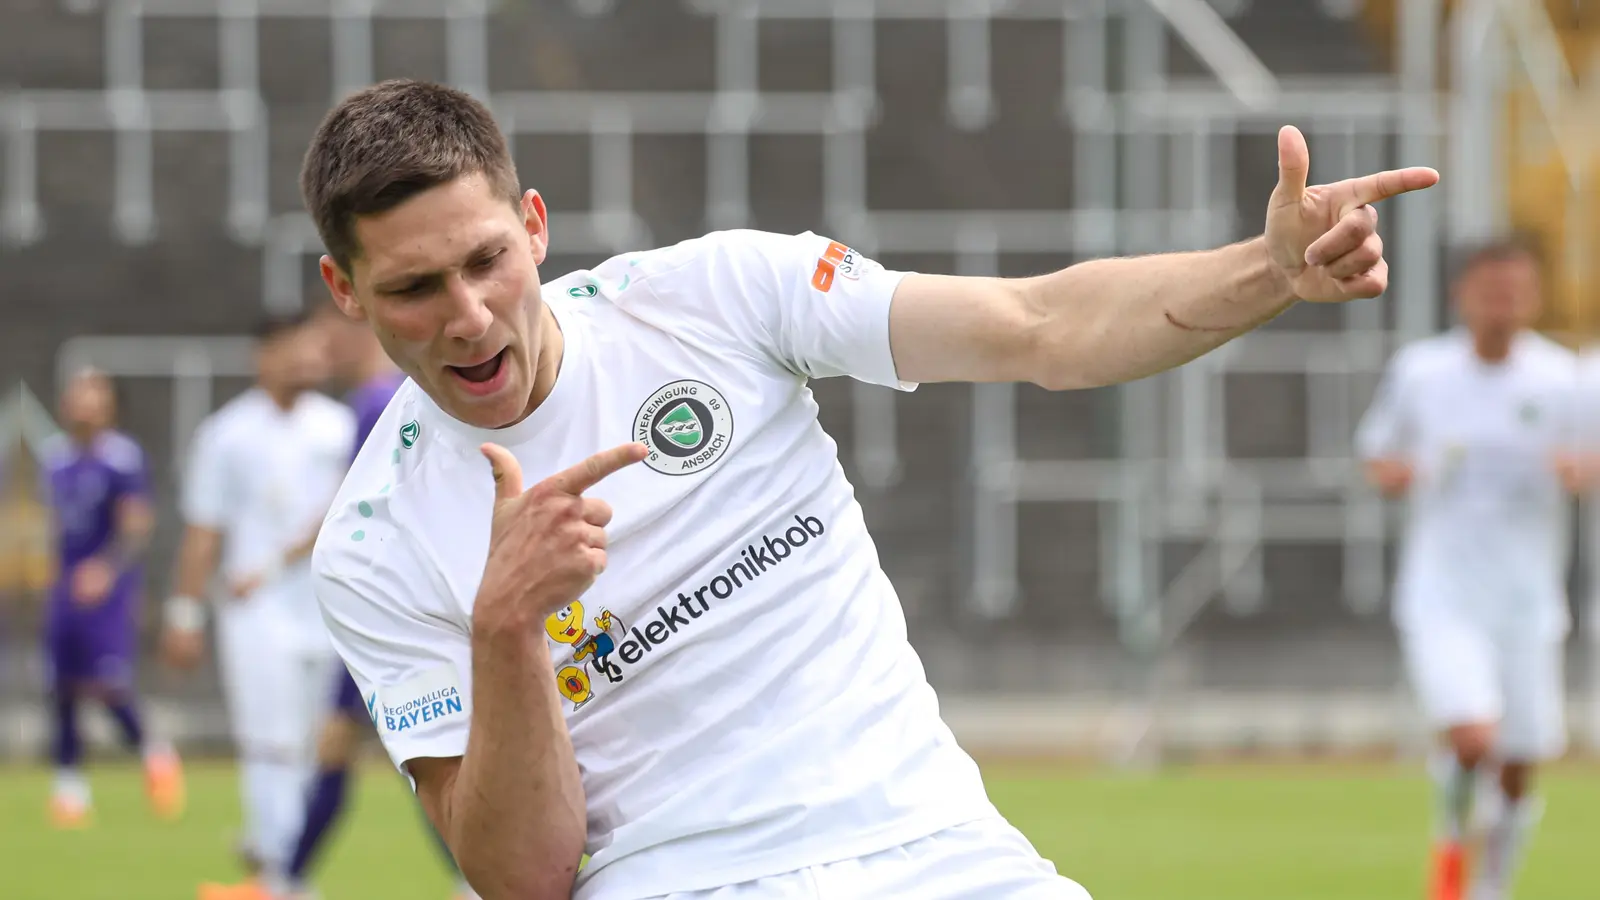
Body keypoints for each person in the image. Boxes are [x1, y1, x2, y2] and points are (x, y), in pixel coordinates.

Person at [304, 78, 1436, 900]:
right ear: (345, 292)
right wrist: (507, 623)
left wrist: (1266, 269)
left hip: (941, 848)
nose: (465, 314)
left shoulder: (715, 296)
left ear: (534, 228)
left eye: (484, 260)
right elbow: (524, 876)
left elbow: (1038, 327)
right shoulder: (373, 545)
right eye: (411, 286)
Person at [1356, 239, 1582, 900]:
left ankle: (1492, 883)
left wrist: (1578, 470)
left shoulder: (1562, 379)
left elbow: (1588, 457)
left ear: (1534, 298)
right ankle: (1452, 840)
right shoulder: (1422, 372)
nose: (1502, 304)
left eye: (1515, 291)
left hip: (1527, 600)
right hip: (1443, 593)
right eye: (1491, 290)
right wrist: (1399, 475)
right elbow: (1378, 456)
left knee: (1518, 761)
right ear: (1462, 294)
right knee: (1475, 736)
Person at [244, 305, 477, 900]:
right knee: (408, 749)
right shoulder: (387, 398)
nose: (318, 349)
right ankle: (291, 877)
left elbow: (354, 515)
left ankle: (288, 880)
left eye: (328, 335)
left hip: (392, 608)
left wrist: (276, 563)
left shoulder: (380, 403)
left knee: (378, 747)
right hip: (404, 605)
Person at [158, 313, 355, 898]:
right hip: (257, 612)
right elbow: (203, 532)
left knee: (321, 745)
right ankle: (280, 874)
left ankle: (281, 866)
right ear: (262, 356)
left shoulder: (341, 427)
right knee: (269, 745)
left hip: (331, 608)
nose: (306, 358)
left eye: (311, 346)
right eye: (291, 348)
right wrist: (184, 614)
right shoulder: (227, 434)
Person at [39, 368, 184, 828]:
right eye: (76, 391)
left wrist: (108, 569)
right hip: (65, 588)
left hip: (107, 590)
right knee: (61, 688)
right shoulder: (55, 458)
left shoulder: (122, 458)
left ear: (109, 405)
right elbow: (52, 526)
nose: (82, 401)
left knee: (108, 687)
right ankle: (69, 790)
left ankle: (155, 754)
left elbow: (136, 523)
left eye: (92, 392)